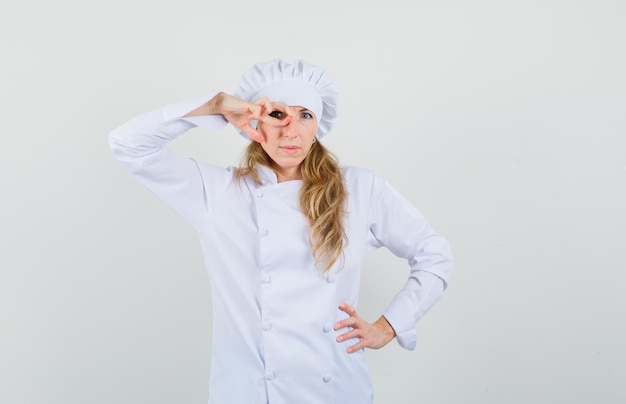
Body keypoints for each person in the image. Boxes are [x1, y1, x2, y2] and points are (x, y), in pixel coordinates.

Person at [109, 59, 453, 404]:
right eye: (277, 115)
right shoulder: (217, 193)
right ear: (253, 122)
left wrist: (388, 326)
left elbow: (434, 254)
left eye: (305, 115)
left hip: (336, 393)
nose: (291, 131)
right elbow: (127, 144)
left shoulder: (360, 189)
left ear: (318, 125)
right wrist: (215, 106)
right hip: (248, 394)